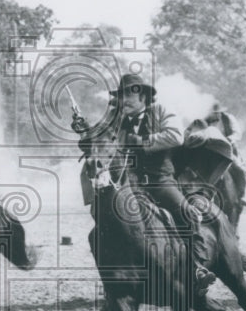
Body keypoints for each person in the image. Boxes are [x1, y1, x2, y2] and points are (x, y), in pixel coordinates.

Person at [79, 72, 217, 295]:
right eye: (122, 96)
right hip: (127, 183)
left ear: (143, 96)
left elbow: (176, 136)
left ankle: (197, 267)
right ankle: (111, 288)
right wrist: (84, 130)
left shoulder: (162, 111)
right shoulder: (114, 117)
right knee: (100, 227)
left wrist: (141, 142)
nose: (125, 101)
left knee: (185, 213)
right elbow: (96, 142)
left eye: (130, 96)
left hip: (160, 180)